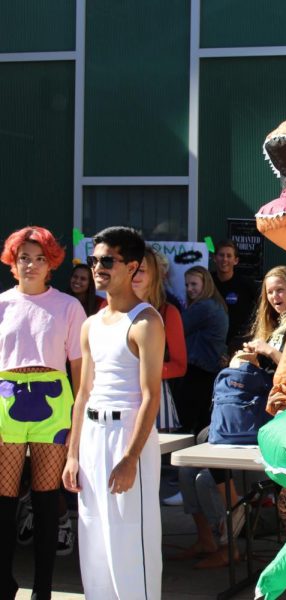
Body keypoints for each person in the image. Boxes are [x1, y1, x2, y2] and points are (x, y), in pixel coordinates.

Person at [61, 226, 165, 599]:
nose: (98, 267)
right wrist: (73, 454)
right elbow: (82, 393)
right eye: (94, 259)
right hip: (90, 439)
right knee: (93, 540)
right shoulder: (90, 324)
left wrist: (130, 457)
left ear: (132, 266)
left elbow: (151, 396)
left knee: (129, 539)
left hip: (126, 437)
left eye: (108, 260)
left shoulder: (146, 321)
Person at [177, 266, 286, 568]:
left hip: (281, 416)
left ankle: (234, 524)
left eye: (280, 290)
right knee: (188, 468)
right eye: (270, 292)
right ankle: (209, 538)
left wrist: (268, 352)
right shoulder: (275, 325)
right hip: (257, 409)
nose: (275, 297)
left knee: (206, 450)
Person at [0, 226, 86, 600]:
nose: (31, 265)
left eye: (39, 259)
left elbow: (82, 375)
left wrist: (78, 434)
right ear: (12, 263)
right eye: (24, 258)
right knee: (3, 501)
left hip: (54, 402)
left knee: (46, 499)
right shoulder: (1, 304)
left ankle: (44, 589)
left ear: (51, 264)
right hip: (6, 399)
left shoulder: (69, 306)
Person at [132, 248, 186, 431]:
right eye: (131, 269)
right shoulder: (106, 311)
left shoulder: (167, 312)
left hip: (155, 399)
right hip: (113, 404)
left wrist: (139, 372)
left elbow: (179, 366)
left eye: (141, 270)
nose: (134, 275)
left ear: (153, 275)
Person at [176, 266, 227, 434]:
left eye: (194, 284)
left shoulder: (204, 307)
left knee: (187, 418)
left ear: (205, 284)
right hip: (208, 368)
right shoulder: (216, 305)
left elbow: (176, 329)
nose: (189, 289)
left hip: (198, 368)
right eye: (187, 285)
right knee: (201, 418)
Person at [211, 240, 258, 355]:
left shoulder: (246, 284)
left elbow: (261, 307)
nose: (225, 259)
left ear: (235, 260)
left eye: (229, 256)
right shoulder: (207, 281)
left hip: (239, 343)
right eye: (221, 255)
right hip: (212, 342)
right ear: (214, 258)